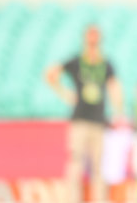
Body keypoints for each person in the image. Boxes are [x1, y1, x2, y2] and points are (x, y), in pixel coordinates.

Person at [44, 25, 123, 203]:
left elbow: (114, 87)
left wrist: (118, 111)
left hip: (98, 121)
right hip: (79, 120)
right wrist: (64, 93)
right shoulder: (77, 61)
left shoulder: (105, 64)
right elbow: (50, 74)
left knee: (98, 167)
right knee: (75, 164)